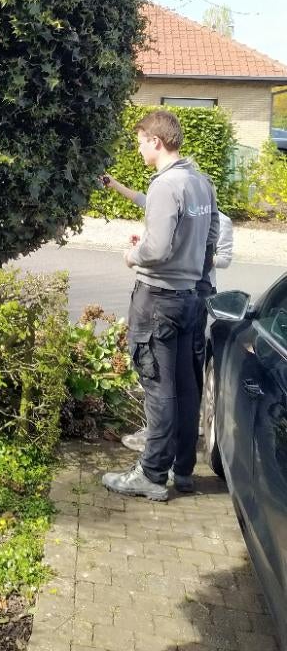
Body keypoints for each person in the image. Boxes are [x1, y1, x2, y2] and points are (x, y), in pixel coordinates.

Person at [101, 110, 219, 501]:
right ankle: (182, 471)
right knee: (186, 389)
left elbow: (157, 247)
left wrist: (132, 255)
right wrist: (197, 285)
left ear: (156, 141)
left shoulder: (168, 185)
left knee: (158, 389)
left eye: (139, 141)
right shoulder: (201, 183)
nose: (137, 148)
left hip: (158, 301)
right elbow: (210, 240)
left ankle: (151, 474)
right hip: (189, 299)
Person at [102, 173, 233, 451]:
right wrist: (115, 185)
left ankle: (163, 451)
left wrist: (141, 255)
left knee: (172, 377)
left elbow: (220, 256)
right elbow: (144, 202)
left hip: (193, 292)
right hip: (183, 290)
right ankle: (174, 452)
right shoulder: (180, 208)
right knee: (173, 377)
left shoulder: (218, 220)